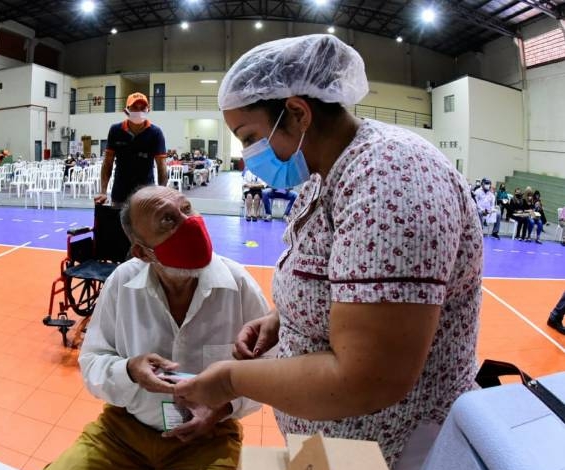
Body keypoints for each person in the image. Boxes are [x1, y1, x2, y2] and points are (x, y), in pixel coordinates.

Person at [172, 34, 483, 469]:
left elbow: (368, 378)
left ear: (298, 113)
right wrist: (282, 319)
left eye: (250, 137)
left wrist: (228, 381)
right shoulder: (325, 174)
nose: (248, 155)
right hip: (333, 441)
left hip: (389, 448)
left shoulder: (390, 179)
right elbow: (332, 276)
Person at [45, 186, 269, 470]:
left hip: (208, 437)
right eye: (167, 220)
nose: (188, 223)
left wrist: (222, 408)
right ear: (142, 251)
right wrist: (129, 371)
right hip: (123, 432)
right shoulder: (121, 283)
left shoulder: (238, 285)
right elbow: (91, 362)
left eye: (187, 209)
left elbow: (267, 368)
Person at [94, 92, 168, 206]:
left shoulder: (156, 133)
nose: (139, 111)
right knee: (118, 223)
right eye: (134, 107)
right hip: (120, 192)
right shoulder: (115, 130)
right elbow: (107, 162)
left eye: (142, 108)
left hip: (146, 193)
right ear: (126, 110)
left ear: (148, 110)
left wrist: (162, 194)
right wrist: (103, 192)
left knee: (144, 224)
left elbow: (161, 166)